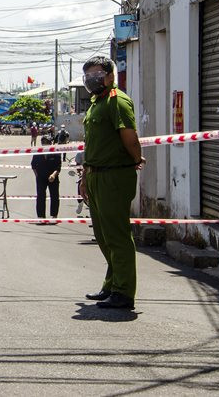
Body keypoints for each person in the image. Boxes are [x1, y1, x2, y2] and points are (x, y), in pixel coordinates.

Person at [79, 56, 145, 310]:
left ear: (110, 76)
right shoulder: (97, 103)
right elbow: (93, 145)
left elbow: (129, 136)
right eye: (87, 76)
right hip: (96, 174)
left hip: (114, 176)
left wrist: (136, 159)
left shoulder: (118, 101)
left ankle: (124, 292)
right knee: (103, 236)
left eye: (96, 75)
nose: (91, 80)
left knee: (117, 236)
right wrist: (85, 177)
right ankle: (112, 284)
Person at [31, 136, 61, 223]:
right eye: (43, 142)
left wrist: (53, 175)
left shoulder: (55, 152)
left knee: (54, 196)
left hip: (53, 177)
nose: (45, 144)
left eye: (46, 142)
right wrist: (37, 176)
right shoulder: (38, 152)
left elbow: (58, 167)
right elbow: (33, 165)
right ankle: (41, 216)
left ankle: (54, 215)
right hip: (41, 177)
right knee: (40, 196)